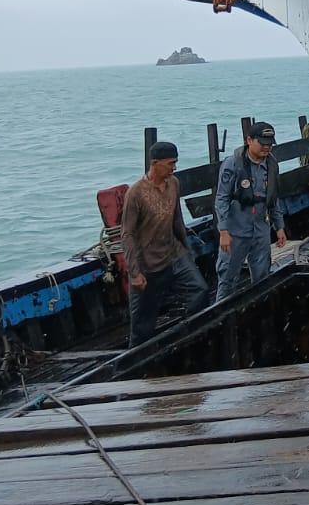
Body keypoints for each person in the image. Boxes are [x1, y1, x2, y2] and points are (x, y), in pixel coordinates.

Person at [120, 139, 210, 346]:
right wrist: (134, 272)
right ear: (155, 163)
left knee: (200, 290)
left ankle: (190, 337)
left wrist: (187, 250)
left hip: (174, 254)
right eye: (170, 163)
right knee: (142, 327)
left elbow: (177, 218)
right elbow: (127, 234)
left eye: (175, 162)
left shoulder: (174, 184)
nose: (174, 168)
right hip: (148, 263)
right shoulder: (136, 193)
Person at [214, 121, 287, 301]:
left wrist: (279, 227)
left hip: (261, 228)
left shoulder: (271, 164)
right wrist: (223, 231)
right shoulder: (232, 164)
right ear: (249, 140)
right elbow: (221, 198)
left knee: (262, 278)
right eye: (262, 143)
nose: (266, 147)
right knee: (227, 278)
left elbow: (273, 198)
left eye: (269, 144)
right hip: (236, 229)